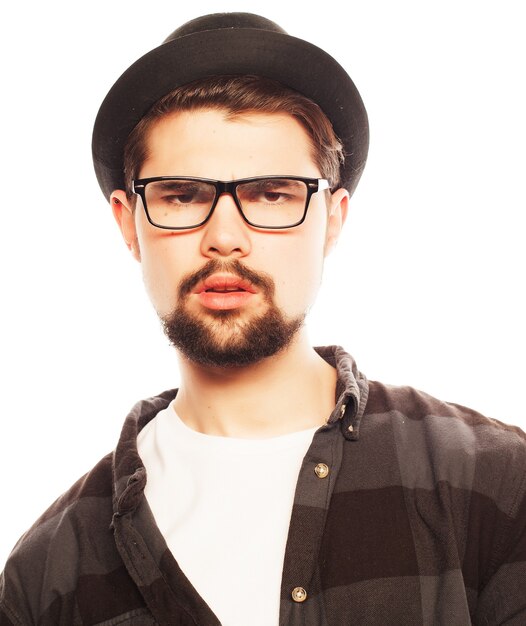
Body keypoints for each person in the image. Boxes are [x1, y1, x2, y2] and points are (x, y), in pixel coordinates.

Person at [1, 11, 525, 626]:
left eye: (271, 194)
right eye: (181, 195)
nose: (225, 238)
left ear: (332, 217)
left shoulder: (494, 485)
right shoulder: (46, 576)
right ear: (128, 222)